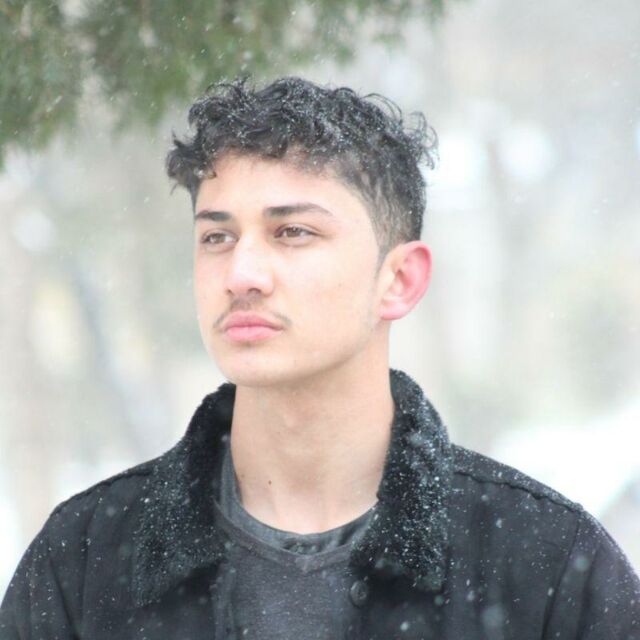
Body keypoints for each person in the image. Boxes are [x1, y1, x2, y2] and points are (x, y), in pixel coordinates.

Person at [1, 77, 639, 640]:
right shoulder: (84, 559)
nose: (241, 274)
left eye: (292, 232)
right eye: (217, 236)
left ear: (399, 280)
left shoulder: (545, 565)